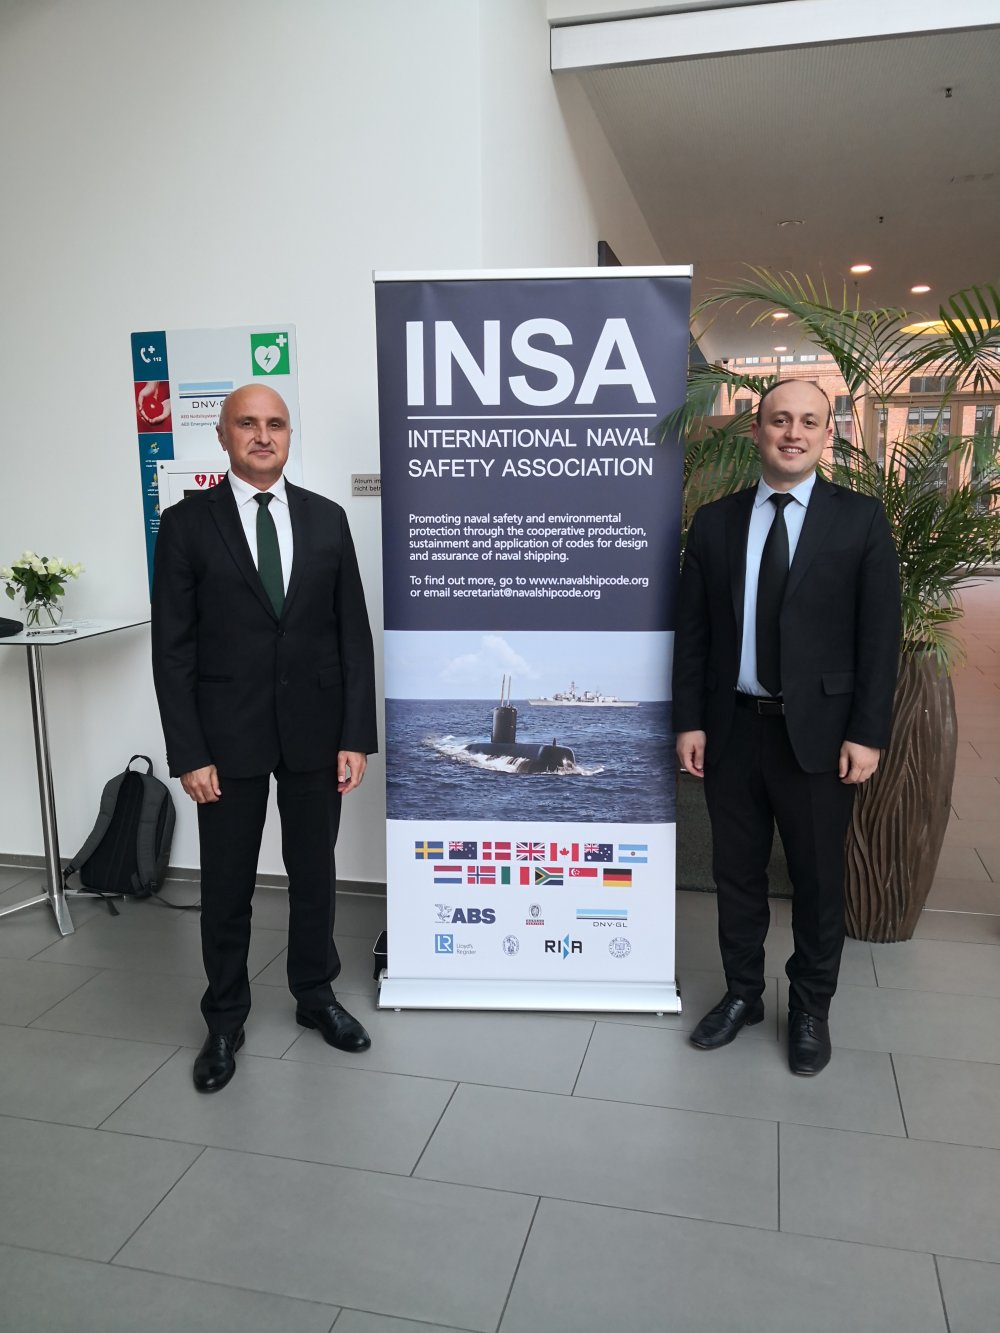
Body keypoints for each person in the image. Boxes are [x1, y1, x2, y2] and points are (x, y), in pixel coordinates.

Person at [151, 383, 377, 1092]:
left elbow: (352, 636)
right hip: (226, 738)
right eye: (246, 423)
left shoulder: (327, 518)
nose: (262, 435)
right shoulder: (186, 525)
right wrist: (189, 752)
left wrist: (355, 735)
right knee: (227, 885)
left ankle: (315, 994)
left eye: (275, 424)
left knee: (314, 875)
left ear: (288, 436)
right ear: (222, 435)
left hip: (316, 731)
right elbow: (172, 650)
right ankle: (224, 1018)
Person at [672, 379, 900, 1075]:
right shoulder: (715, 523)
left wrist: (868, 732)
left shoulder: (859, 520)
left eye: (808, 421)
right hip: (733, 729)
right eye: (779, 420)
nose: (792, 433)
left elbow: (879, 637)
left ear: (828, 434)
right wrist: (689, 720)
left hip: (823, 738)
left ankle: (809, 1008)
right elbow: (694, 634)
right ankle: (743, 993)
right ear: (757, 431)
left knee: (818, 880)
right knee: (736, 874)